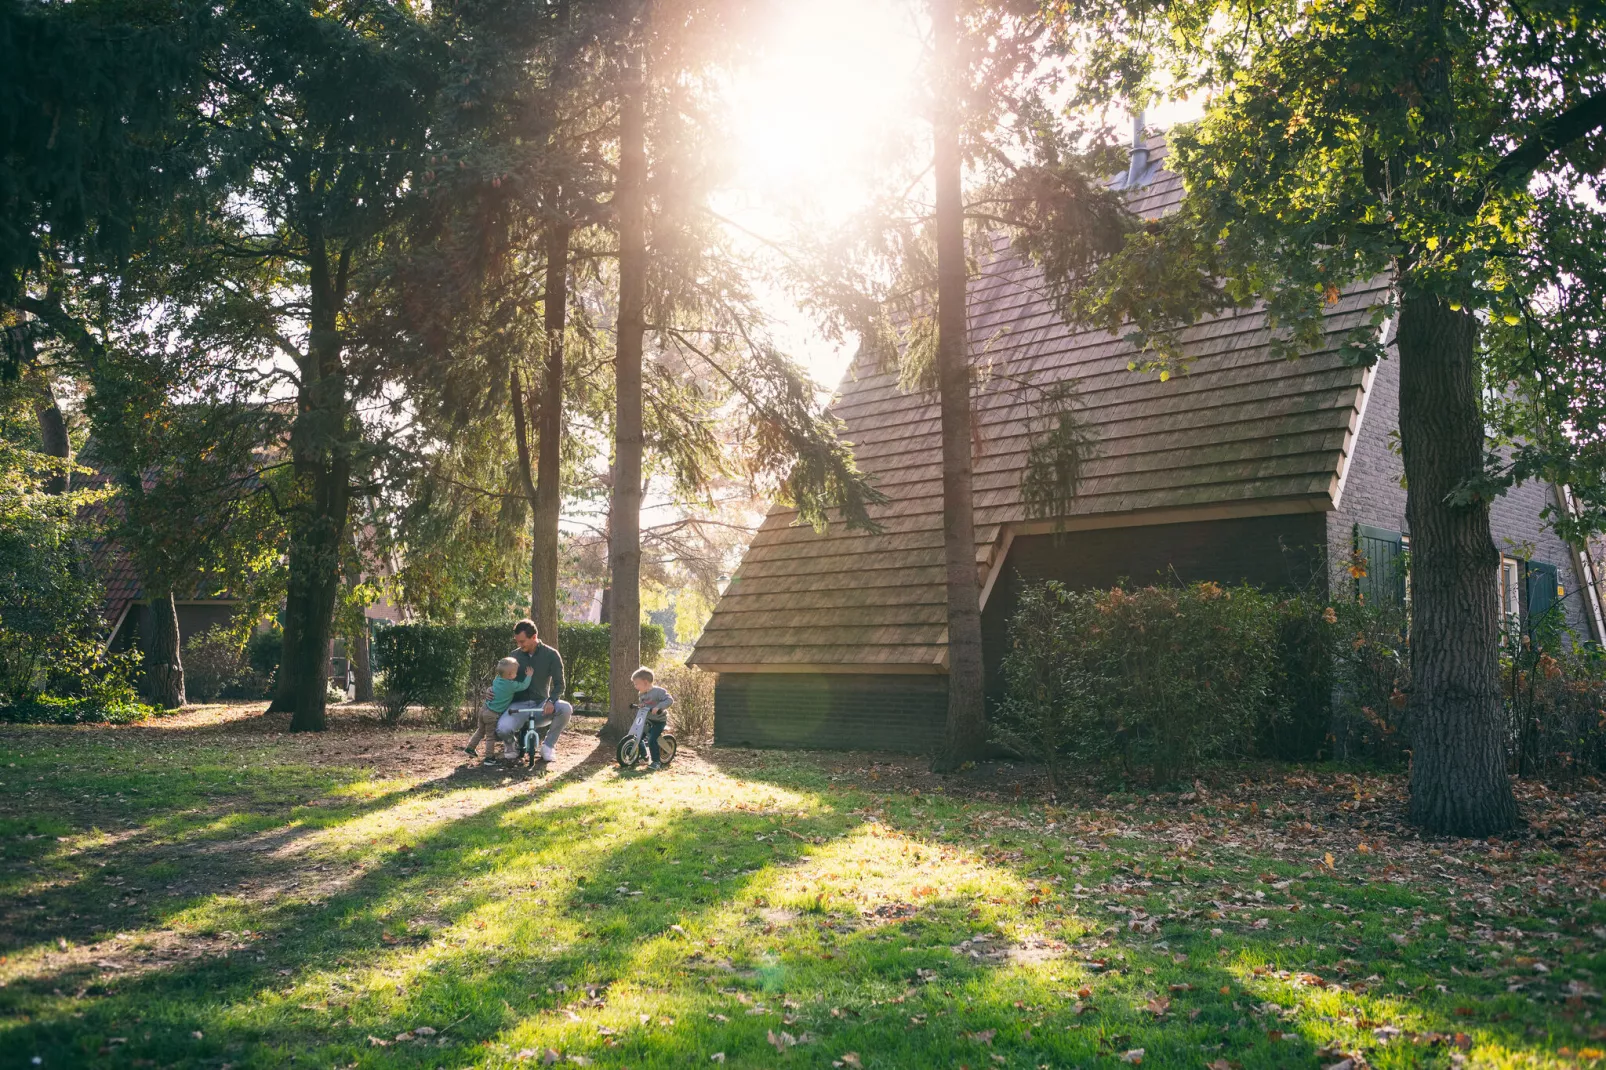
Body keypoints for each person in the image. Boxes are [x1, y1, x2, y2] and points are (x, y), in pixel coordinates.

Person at [498, 619, 571, 764]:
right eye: (517, 641)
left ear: (534, 636)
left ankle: (548, 747)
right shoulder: (514, 655)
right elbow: (503, 679)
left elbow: (560, 685)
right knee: (503, 729)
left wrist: (551, 701)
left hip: (541, 706)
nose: (519, 645)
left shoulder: (551, 654)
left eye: (522, 641)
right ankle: (512, 748)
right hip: (518, 707)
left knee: (565, 708)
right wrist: (492, 691)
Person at [466, 657, 535, 765]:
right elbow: (524, 686)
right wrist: (529, 676)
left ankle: (470, 748)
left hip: (484, 709)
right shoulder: (511, 685)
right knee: (490, 737)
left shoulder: (497, 679)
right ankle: (489, 758)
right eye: (515, 673)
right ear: (510, 674)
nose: (516, 675)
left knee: (480, 730)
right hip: (492, 714)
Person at [630, 666, 674, 771]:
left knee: (652, 739)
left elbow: (670, 700)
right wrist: (641, 705)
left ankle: (656, 762)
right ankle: (644, 757)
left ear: (645, 682)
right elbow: (644, 703)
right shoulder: (641, 693)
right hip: (648, 719)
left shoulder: (659, 692)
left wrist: (659, 707)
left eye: (637, 684)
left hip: (659, 721)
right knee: (638, 736)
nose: (635, 686)